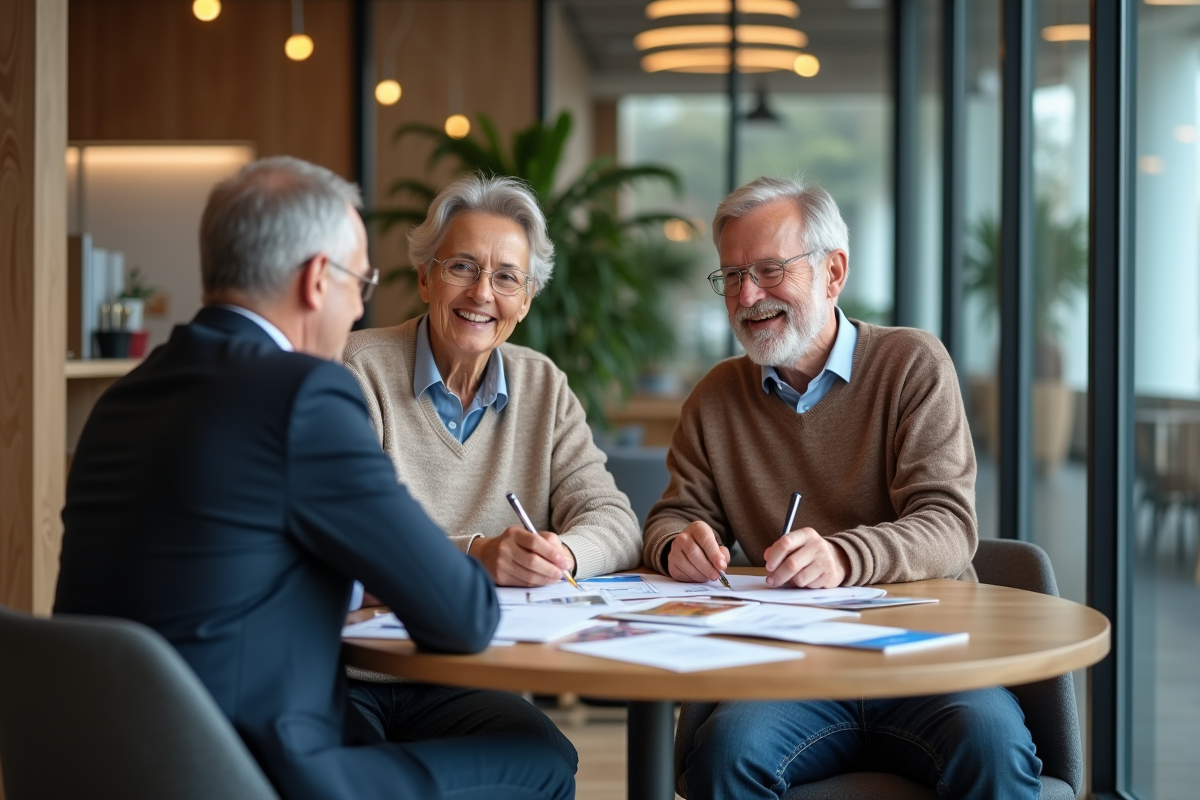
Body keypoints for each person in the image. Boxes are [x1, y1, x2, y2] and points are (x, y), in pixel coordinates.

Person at [54, 157, 575, 800]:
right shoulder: (303, 395)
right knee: (540, 762)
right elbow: (460, 617)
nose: (359, 305)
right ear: (315, 281)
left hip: (98, 763)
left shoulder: (123, 398)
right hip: (250, 771)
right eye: (359, 281)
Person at [643, 176, 1042, 800]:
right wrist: (677, 545)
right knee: (725, 757)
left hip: (925, 659)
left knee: (992, 750)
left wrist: (842, 556)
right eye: (731, 276)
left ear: (833, 273)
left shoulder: (912, 365)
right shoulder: (716, 397)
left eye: (771, 270)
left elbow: (948, 524)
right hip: (788, 669)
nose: (748, 295)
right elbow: (674, 516)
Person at [342, 173, 641, 586]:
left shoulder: (544, 385)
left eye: (506, 277)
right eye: (463, 267)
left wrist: (563, 555)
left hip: (523, 639)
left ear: (525, 301)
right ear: (425, 278)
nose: (482, 293)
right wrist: (474, 554)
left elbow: (615, 521)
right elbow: (344, 533)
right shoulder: (356, 371)